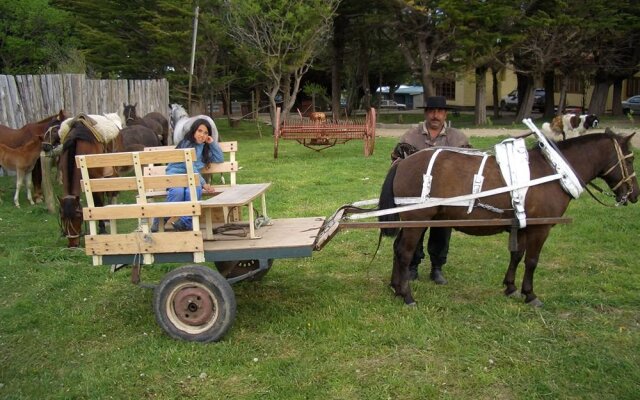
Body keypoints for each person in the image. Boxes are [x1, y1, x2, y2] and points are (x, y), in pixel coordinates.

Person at [392, 96, 470, 284]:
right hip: (417, 197)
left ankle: (437, 268)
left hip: (446, 198)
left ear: (445, 114)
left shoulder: (458, 138)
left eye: (440, 111)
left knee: (442, 233)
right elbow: (397, 163)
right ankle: (412, 267)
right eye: (432, 111)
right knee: (414, 232)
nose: (436, 115)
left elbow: (469, 168)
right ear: (426, 113)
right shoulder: (410, 137)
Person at [152, 118, 223, 232]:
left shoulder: (205, 148)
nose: (202, 135)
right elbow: (190, 166)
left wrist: (212, 142)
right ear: (194, 131)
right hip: (176, 175)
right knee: (178, 193)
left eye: (205, 133)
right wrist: (204, 183)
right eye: (199, 131)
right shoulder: (186, 143)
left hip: (192, 178)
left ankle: (185, 223)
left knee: (193, 192)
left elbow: (219, 158)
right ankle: (160, 220)